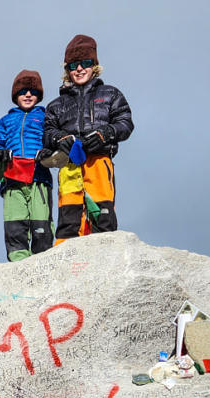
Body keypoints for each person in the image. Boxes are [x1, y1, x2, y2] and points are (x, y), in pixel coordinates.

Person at [42, 34, 134, 244]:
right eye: (73, 65)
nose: (79, 69)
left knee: (102, 213)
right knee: (69, 216)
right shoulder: (57, 104)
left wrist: (105, 134)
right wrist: (60, 139)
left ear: (95, 65)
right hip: (70, 165)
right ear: (67, 70)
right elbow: (47, 133)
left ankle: (106, 259)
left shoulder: (110, 93)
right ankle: (67, 265)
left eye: (85, 63)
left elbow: (125, 122)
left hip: (99, 161)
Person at [0, 70, 54, 261]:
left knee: (41, 222)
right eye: (23, 91)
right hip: (12, 180)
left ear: (39, 95)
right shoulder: (5, 121)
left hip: (39, 177)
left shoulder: (45, 117)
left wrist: (48, 151)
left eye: (33, 91)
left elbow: (53, 138)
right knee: (15, 224)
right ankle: (18, 262)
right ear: (15, 95)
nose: (28, 95)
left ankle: (42, 260)